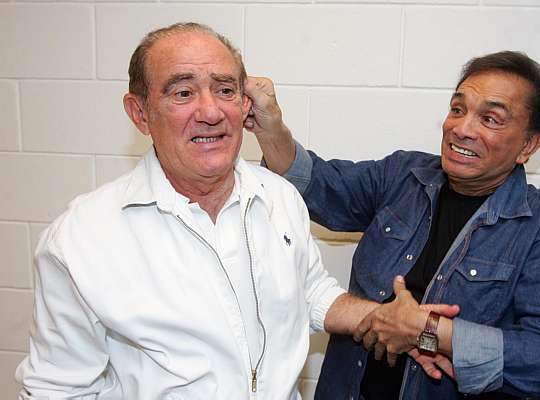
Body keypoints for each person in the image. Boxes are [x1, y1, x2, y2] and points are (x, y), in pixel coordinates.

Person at [15, 22, 434, 399]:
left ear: (245, 105)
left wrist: (384, 318)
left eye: (225, 90)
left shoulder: (280, 197)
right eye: (183, 92)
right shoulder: (81, 239)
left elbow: (308, 291)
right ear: (140, 113)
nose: (211, 112)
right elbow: (56, 389)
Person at [245, 51, 540, 399]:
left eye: (490, 119)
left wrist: (430, 332)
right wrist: (271, 128)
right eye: (457, 109)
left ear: (528, 144)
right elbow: (317, 185)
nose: (462, 129)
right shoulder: (404, 175)